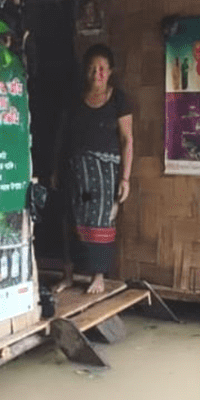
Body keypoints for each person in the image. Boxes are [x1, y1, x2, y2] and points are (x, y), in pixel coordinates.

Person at [51, 44, 134, 294]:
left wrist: (125, 178)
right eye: (92, 69)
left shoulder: (118, 100)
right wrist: (55, 169)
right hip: (77, 175)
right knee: (72, 220)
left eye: (101, 69)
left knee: (101, 222)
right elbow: (61, 137)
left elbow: (127, 140)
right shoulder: (74, 100)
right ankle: (68, 275)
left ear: (110, 72)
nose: (96, 74)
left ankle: (97, 276)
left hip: (104, 178)